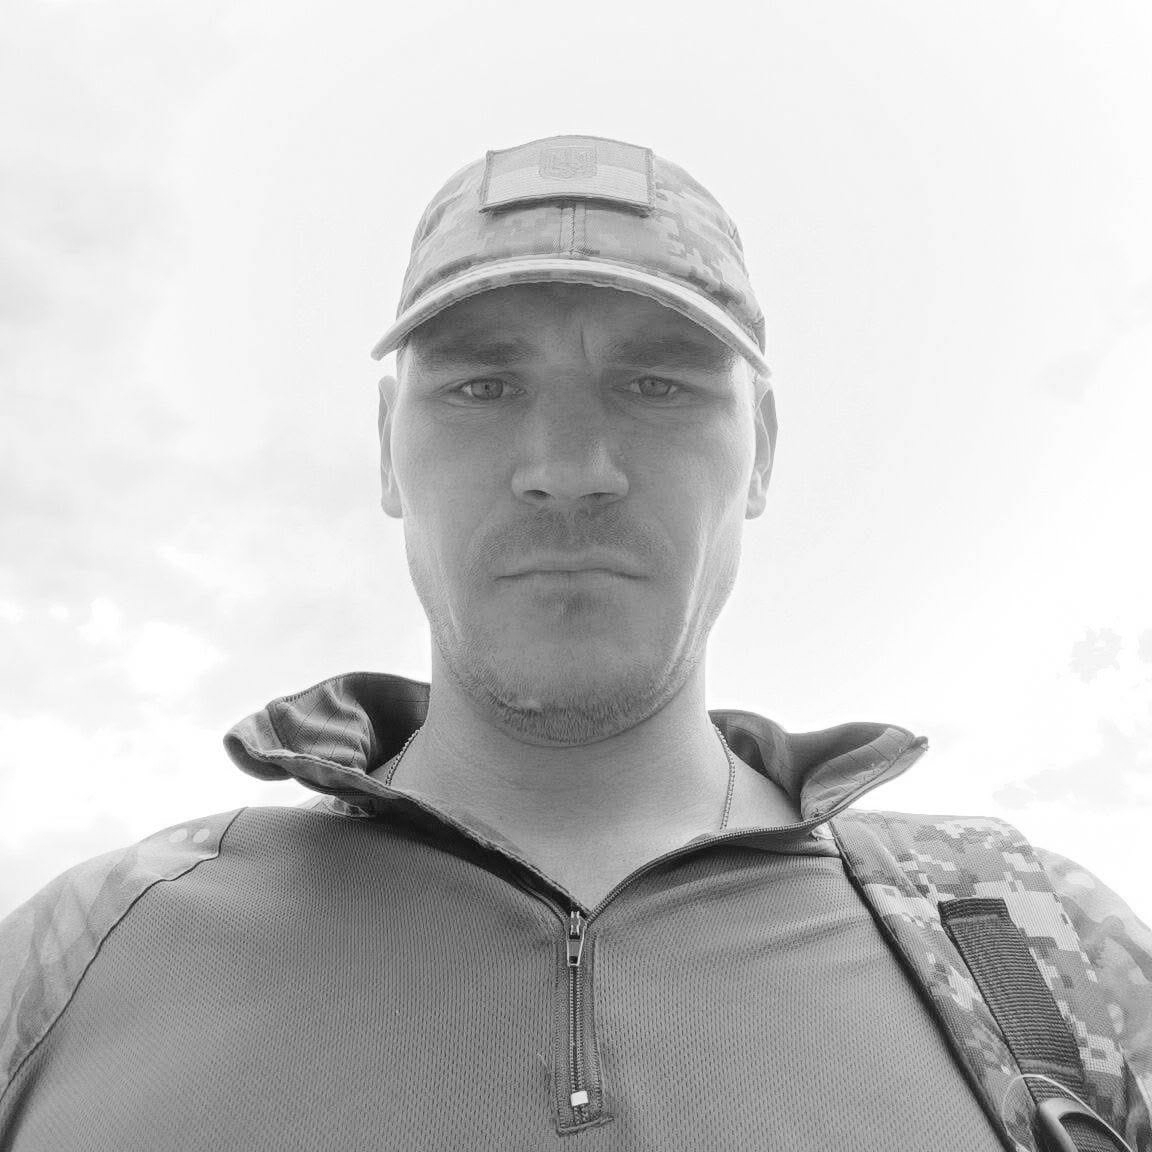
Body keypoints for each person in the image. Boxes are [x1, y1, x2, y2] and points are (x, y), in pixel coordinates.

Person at [1, 133, 1149, 1151]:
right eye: (481, 385)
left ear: (760, 451)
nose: (568, 469)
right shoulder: (74, 959)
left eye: (655, 384)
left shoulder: (1044, 952)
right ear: (388, 449)